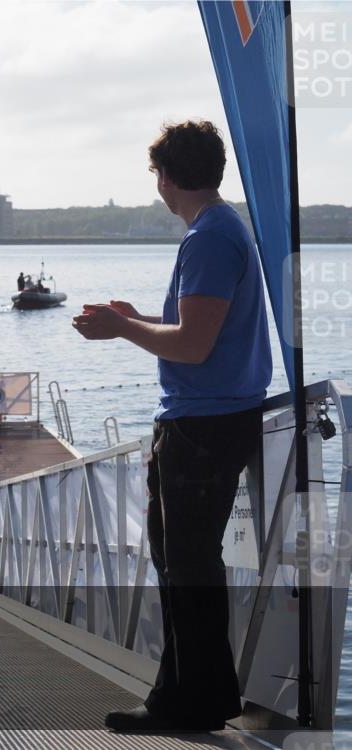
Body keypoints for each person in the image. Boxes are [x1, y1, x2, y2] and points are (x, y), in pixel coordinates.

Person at [73, 120, 271, 733]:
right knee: (181, 562)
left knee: (187, 565)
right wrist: (141, 318)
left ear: (165, 177)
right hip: (212, 419)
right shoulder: (221, 228)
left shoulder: (208, 237)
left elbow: (192, 345)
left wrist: (121, 329)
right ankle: (182, 694)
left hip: (203, 426)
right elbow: (197, 330)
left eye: (155, 174)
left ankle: (195, 700)